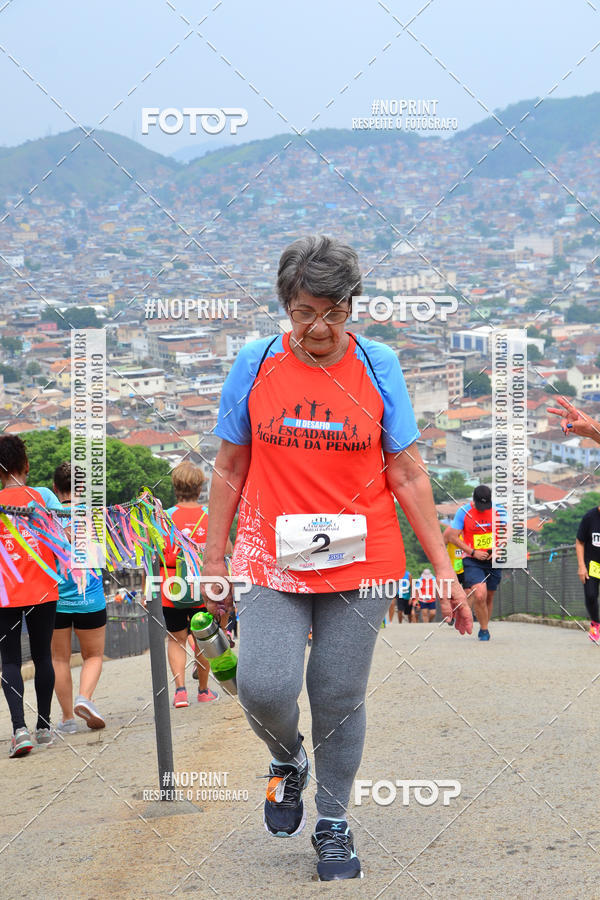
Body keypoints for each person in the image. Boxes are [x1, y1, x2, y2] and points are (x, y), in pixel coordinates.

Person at [201, 235, 472, 882]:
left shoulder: (378, 366)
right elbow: (231, 461)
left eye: (334, 311)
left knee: (338, 692)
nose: (319, 327)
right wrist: (214, 556)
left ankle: (332, 821)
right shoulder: (255, 361)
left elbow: (406, 472)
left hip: (363, 556)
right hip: (271, 551)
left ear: (352, 305)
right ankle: (288, 757)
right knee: (264, 686)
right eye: (304, 312)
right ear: (285, 307)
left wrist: (442, 569)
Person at [0, 435, 60, 756]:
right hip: (43, 588)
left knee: (9, 660)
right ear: (26, 465)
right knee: (42, 657)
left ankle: (19, 730)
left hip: (6, 593)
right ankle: (45, 728)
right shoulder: (44, 498)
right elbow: (62, 539)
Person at [159, 461, 231, 706]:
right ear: (200, 488)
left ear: (175, 486)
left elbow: (154, 552)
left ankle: (180, 691)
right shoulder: (209, 517)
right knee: (203, 638)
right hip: (204, 588)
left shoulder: (164, 518)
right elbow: (227, 550)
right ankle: (202, 690)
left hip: (172, 586)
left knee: (176, 639)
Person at [49, 462, 107, 731]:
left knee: (59, 659)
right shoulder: (95, 516)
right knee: (93, 656)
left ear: (55, 488)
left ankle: (67, 720)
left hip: (57, 599)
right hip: (90, 597)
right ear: (82, 488)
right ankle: (85, 698)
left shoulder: (48, 518)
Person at [445, 485, 505, 641]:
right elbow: (452, 537)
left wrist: (499, 548)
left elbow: (508, 533)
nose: (483, 509)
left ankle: (484, 625)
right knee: (479, 593)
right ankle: (484, 630)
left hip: (493, 559)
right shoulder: (463, 512)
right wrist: (472, 552)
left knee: (489, 596)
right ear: (474, 500)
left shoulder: (499, 510)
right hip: (472, 560)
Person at [575, 504, 600, 642]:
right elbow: (579, 542)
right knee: (591, 595)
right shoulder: (590, 517)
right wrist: (581, 566)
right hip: (592, 565)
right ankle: (595, 623)